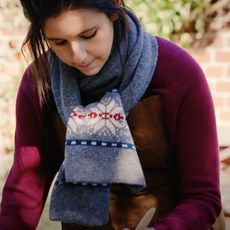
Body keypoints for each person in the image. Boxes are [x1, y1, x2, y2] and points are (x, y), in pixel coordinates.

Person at [0, 0, 222, 229]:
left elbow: (203, 196)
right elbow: (24, 190)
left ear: (114, 10)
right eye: (59, 42)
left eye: (89, 35)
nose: (77, 56)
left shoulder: (176, 72)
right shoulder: (39, 84)